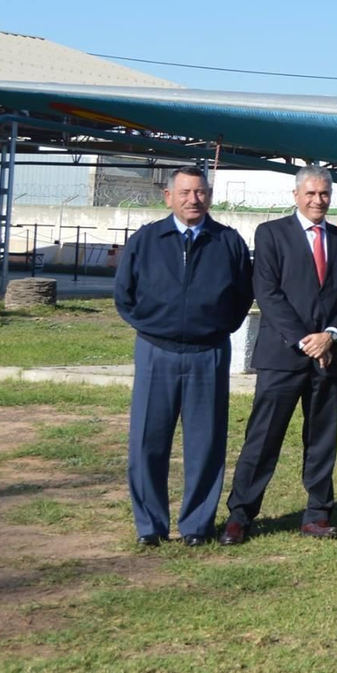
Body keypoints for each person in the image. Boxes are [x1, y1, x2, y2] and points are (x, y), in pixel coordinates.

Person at [221, 167, 337, 545]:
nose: (318, 200)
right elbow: (267, 293)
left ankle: (317, 514)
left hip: (327, 358)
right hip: (283, 356)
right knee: (263, 438)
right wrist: (304, 339)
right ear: (297, 194)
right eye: (311, 193)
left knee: (321, 439)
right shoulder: (271, 234)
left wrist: (330, 335)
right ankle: (240, 515)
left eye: (325, 194)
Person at [116, 167, 254, 547]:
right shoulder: (146, 240)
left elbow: (243, 296)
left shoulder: (227, 242)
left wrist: (216, 327)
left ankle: (196, 525)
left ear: (209, 196)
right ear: (168, 196)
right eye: (185, 192)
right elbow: (124, 294)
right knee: (147, 441)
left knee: (206, 442)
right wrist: (154, 325)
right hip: (155, 352)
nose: (193, 199)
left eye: (200, 192)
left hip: (207, 354)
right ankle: (150, 526)